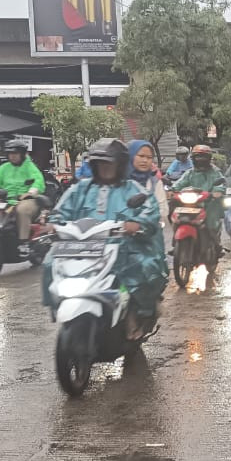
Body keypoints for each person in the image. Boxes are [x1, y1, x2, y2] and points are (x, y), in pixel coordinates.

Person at [44, 138, 168, 339]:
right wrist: (53, 224)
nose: (104, 168)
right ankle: (58, 306)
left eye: (109, 163)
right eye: (100, 163)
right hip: (82, 249)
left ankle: (136, 316)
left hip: (122, 248)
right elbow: (61, 212)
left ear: (120, 165)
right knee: (51, 261)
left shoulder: (133, 189)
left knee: (144, 268)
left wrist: (136, 224)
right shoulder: (80, 189)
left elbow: (150, 211)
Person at [0, 139, 46, 256]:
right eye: (10, 154)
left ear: (22, 154)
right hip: (7, 200)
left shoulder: (30, 167)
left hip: (27, 200)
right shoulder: (4, 168)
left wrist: (30, 192)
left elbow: (38, 180)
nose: (13, 156)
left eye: (15, 154)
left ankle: (24, 242)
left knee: (21, 210)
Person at [171, 144, 225, 243]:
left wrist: (216, 192)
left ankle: (216, 243)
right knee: (176, 216)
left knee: (212, 223)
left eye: (203, 157)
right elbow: (179, 183)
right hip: (191, 204)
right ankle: (176, 241)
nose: (200, 159)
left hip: (209, 203)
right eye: (198, 157)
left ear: (208, 158)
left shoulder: (215, 172)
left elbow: (220, 185)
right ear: (193, 158)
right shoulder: (190, 173)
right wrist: (172, 190)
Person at [128, 140, 169, 228]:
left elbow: (163, 210)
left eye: (149, 157)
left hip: (150, 235)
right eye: (141, 156)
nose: (145, 160)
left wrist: (142, 219)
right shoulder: (120, 181)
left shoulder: (155, 182)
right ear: (130, 156)